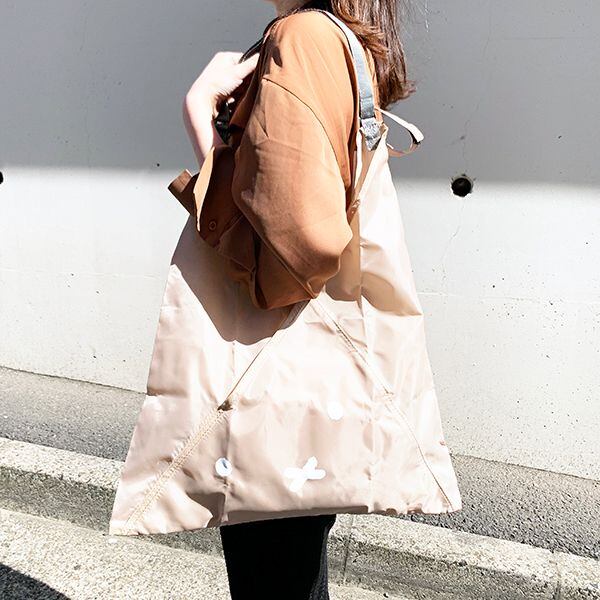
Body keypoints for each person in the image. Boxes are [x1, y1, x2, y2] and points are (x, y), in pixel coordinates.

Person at [179, 1, 417, 598]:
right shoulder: (336, 37)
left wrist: (202, 119)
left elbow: (292, 260)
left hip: (277, 384)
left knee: (275, 574)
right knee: (293, 571)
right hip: (311, 384)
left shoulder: (301, 36)